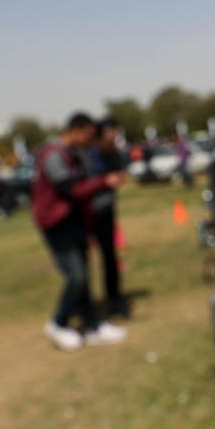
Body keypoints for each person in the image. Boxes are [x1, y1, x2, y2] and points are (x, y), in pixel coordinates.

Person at [31, 112, 126, 351]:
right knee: (76, 276)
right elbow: (70, 190)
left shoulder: (72, 154)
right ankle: (58, 322)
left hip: (74, 221)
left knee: (84, 274)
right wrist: (104, 182)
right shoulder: (53, 154)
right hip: (57, 223)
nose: (92, 141)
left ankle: (92, 325)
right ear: (76, 130)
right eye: (90, 135)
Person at [84, 117, 129, 317]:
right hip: (85, 214)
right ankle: (85, 306)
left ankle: (115, 299)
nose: (114, 139)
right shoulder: (88, 154)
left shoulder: (114, 154)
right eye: (110, 135)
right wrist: (104, 181)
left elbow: (119, 174)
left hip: (106, 211)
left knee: (110, 257)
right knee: (82, 263)